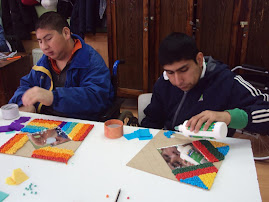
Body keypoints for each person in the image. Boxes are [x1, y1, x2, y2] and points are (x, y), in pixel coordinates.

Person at [141, 32, 269, 136]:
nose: (177, 81)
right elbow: (153, 121)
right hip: (172, 150)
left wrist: (228, 117)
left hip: (214, 151)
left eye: (184, 70)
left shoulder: (227, 81)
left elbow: (265, 110)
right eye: (170, 72)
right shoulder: (163, 83)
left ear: (199, 59)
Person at [9, 11, 114, 121]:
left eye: (48, 39)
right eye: (40, 41)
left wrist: (53, 97)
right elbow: (25, 85)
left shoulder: (90, 60)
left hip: (79, 123)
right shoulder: (44, 62)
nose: (44, 47)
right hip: (47, 123)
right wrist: (26, 102)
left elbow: (97, 98)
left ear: (66, 33)